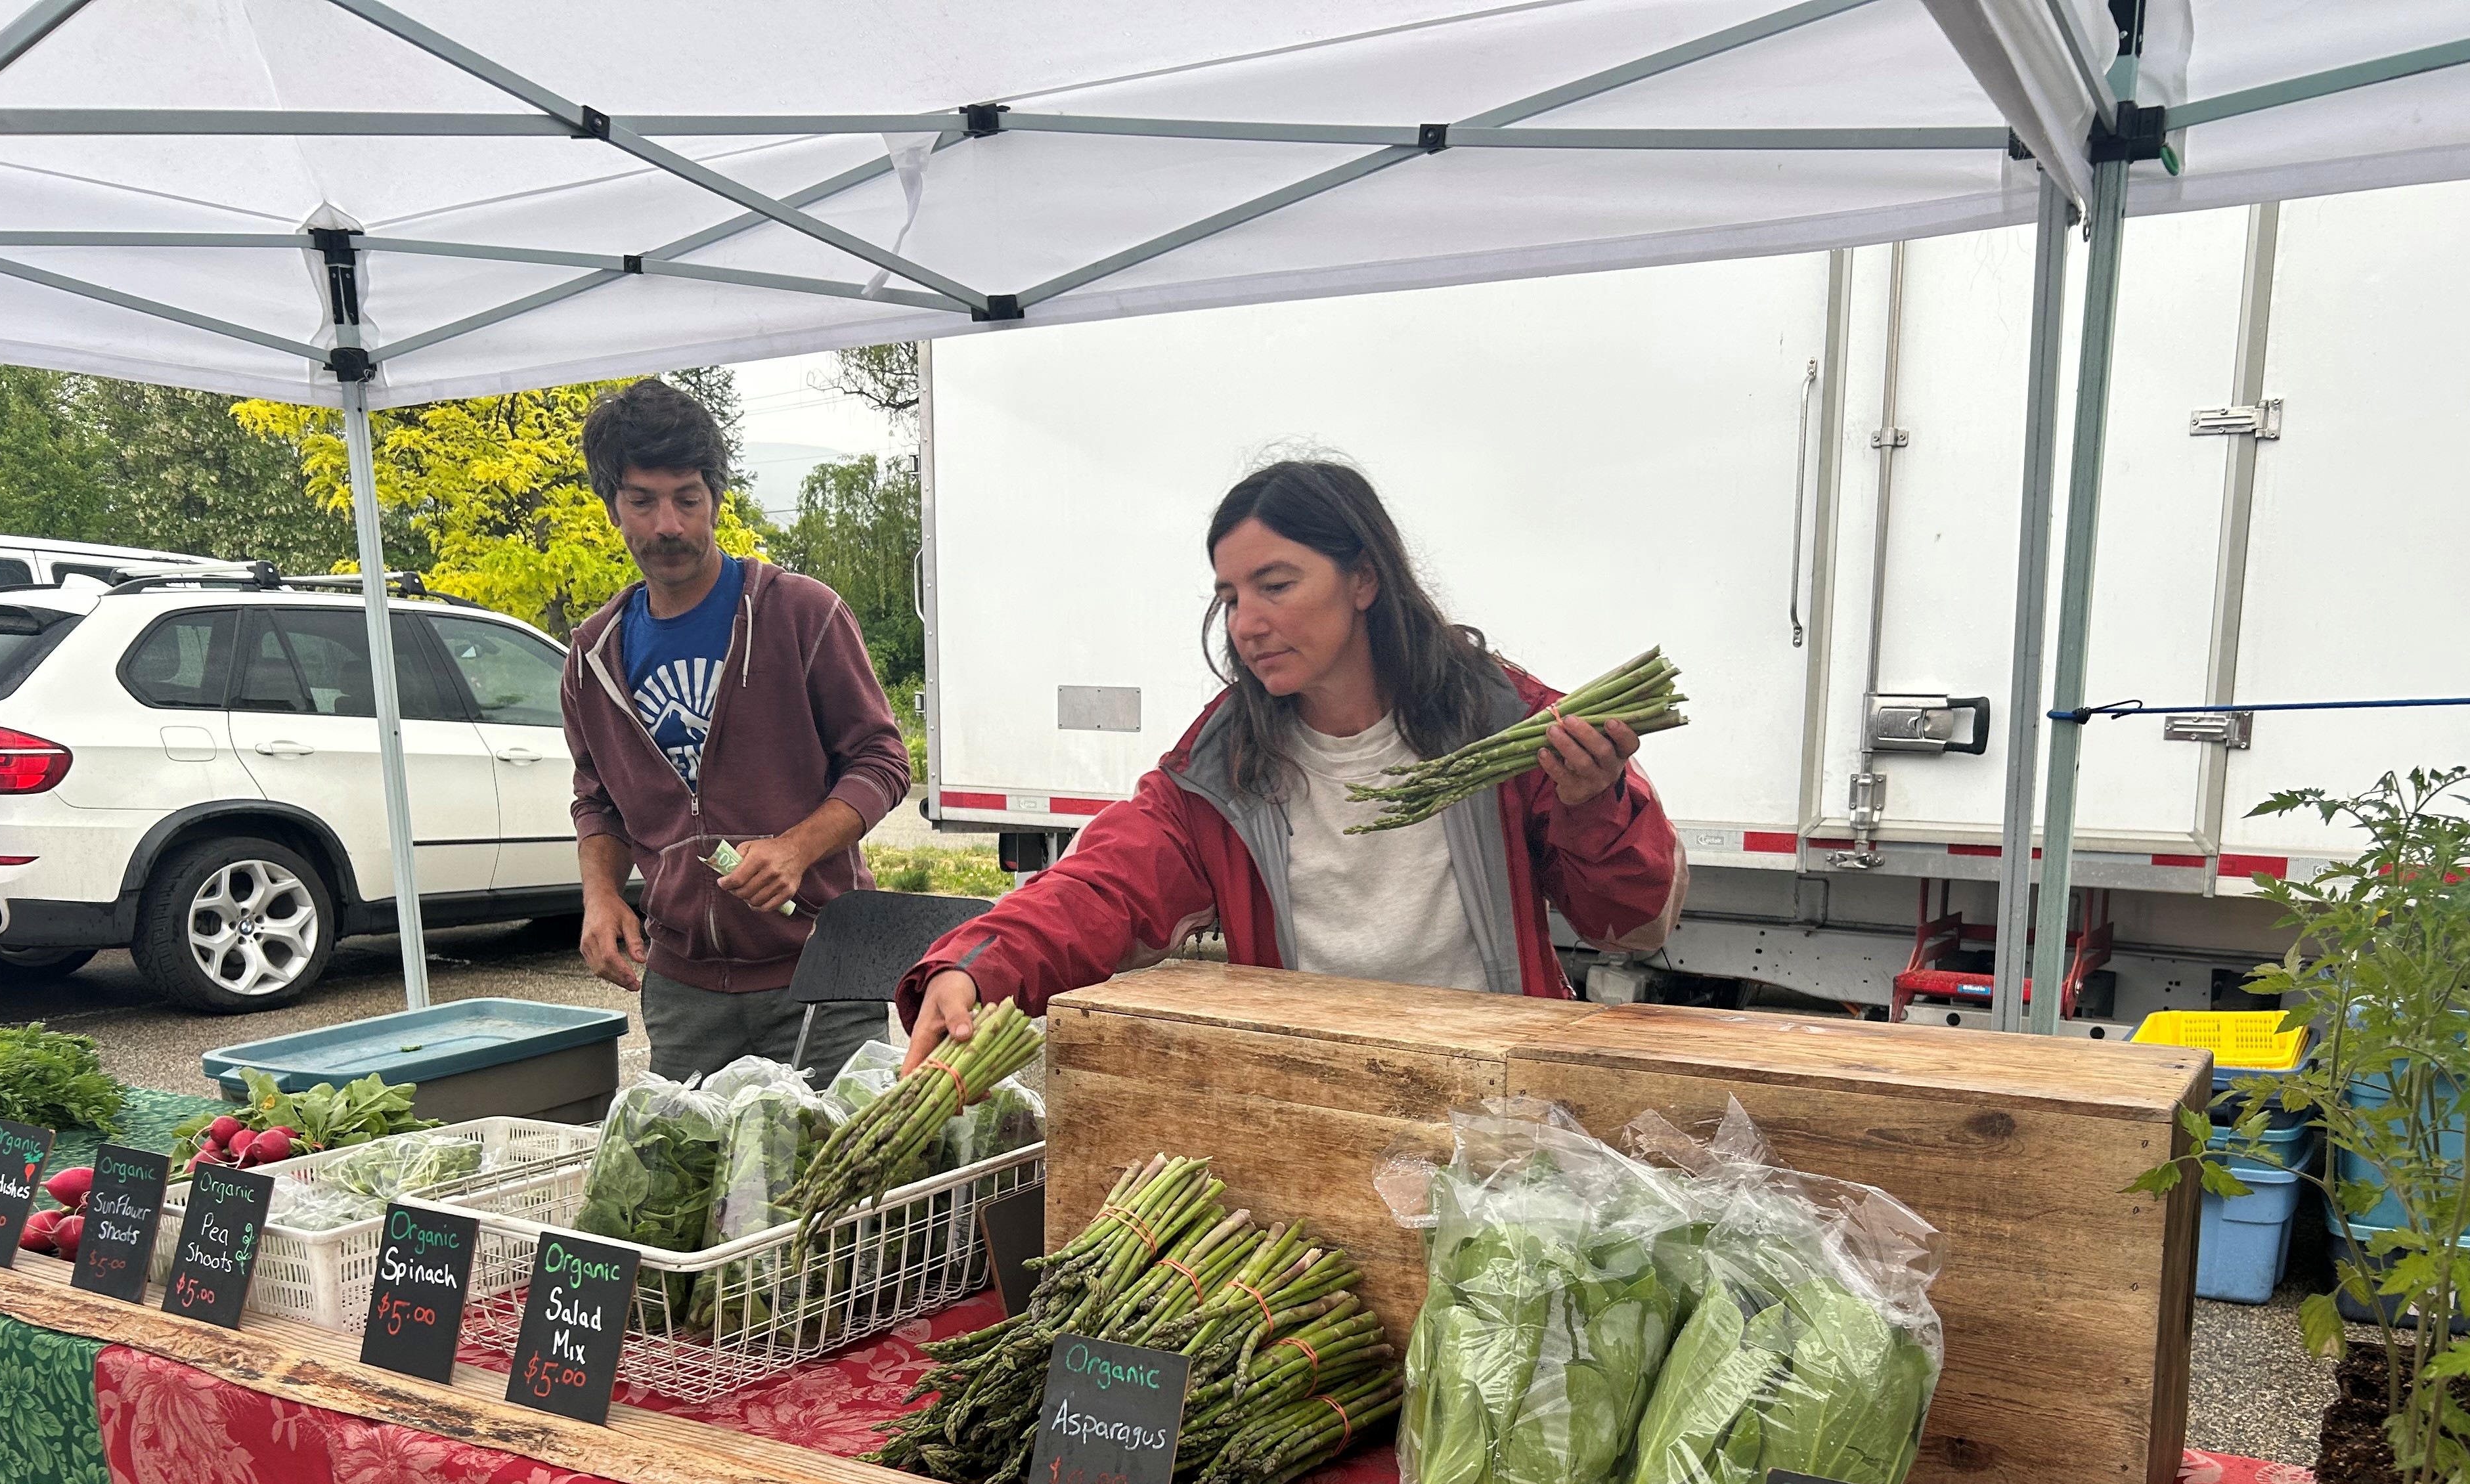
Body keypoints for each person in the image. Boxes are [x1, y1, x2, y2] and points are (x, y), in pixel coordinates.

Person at [898, 459, 1685, 1068]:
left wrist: (1595, 805)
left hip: (1502, 1090)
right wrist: (976, 966)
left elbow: (1634, 921)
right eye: (1232, 596)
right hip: (1317, 1089)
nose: (1248, 623)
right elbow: (1101, 885)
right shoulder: (1222, 765)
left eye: (1276, 585)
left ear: (1365, 579)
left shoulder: (1508, 722)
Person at [563, 377, 911, 1085]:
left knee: (838, 1186)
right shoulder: (593, 655)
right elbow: (598, 798)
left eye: (688, 500)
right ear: (611, 508)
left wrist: (794, 849)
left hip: (825, 971)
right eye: (643, 502)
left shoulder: (799, 614)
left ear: (715, 500)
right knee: (692, 1189)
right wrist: (601, 895)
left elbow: (882, 761)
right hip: (685, 991)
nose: (669, 525)